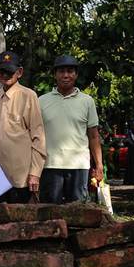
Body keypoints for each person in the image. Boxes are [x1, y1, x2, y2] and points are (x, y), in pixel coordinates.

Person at [0, 51, 46, 203]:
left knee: (22, 222)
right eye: (1, 71)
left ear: (19, 72)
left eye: (10, 71)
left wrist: (35, 172)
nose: (5, 75)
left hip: (21, 177)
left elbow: (38, 137)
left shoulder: (28, 96)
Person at [38, 55, 104, 203]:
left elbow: (93, 136)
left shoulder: (87, 101)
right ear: (55, 75)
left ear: (76, 74)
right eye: (61, 71)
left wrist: (99, 164)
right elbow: (35, 135)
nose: (66, 75)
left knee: (79, 212)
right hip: (50, 165)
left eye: (70, 71)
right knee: (50, 213)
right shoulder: (41, 101)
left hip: (79, 165)